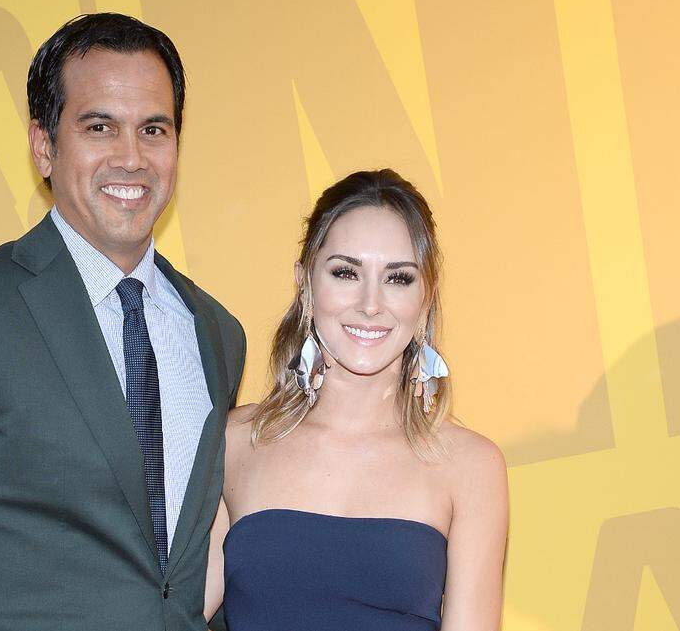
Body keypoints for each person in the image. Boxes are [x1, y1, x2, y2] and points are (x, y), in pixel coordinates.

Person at [0, 13, 246, 631]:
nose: (132, 157)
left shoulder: (216, 333)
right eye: (100, 127)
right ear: (44, 146)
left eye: (155, 129)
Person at [203, 169, 508, 630]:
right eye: (346, 272)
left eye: (399, 278)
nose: (370, 303)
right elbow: (175, 616)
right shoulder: (236, 442)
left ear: (425, 297)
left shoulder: (470, 466)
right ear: (305, 282)